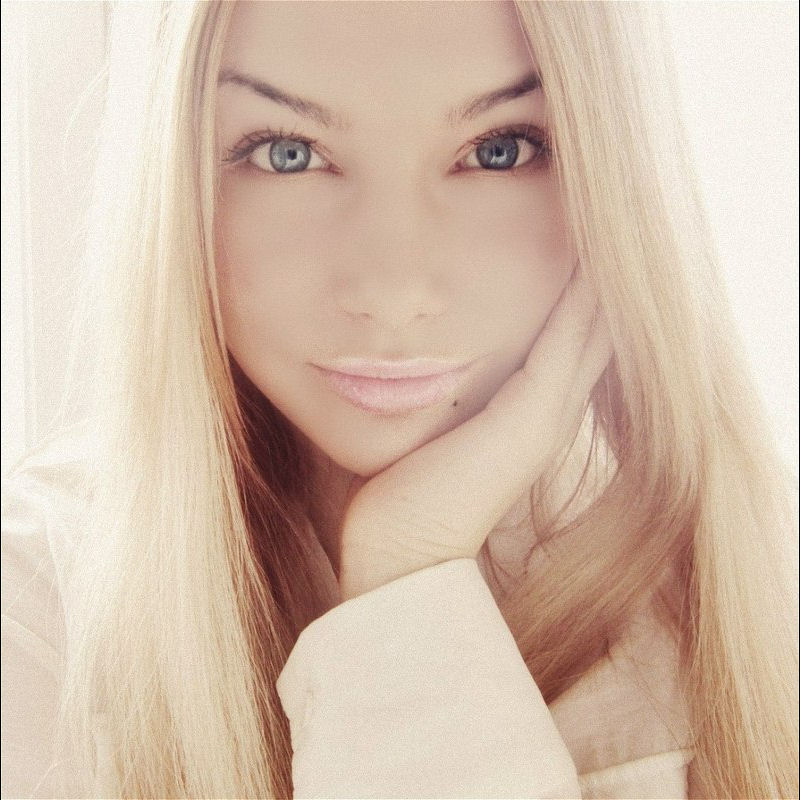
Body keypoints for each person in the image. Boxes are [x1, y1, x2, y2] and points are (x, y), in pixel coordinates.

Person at [2, 2, 797, 798]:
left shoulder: (751, 599)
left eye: (498, 150)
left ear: (617, 179)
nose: (392, 293)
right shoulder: (33, 614)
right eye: (287, 154)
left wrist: (409, 574)